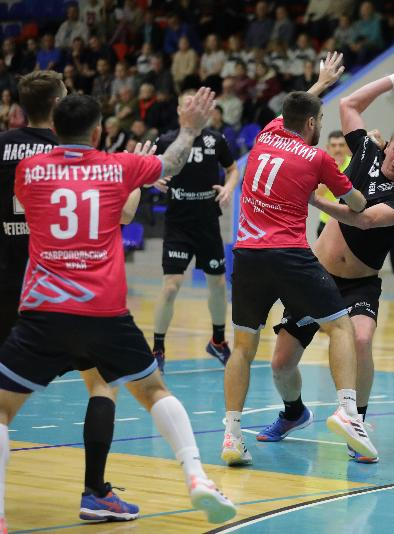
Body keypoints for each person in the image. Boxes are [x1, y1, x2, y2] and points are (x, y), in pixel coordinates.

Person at [0, 87, 237, 529]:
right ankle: (197, 476)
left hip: (43, 312)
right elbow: (170, 164)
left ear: (55, 129)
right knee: (154, 392)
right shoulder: (118, 166)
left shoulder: (30, 170)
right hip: (104, 313)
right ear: (98, 132)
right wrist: (189, 130)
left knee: (2, 409)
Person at [262, 65, 394, 464]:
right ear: (386, 146)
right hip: (314, 276)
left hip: (359, 285)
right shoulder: (367, 151)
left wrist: (315, 199)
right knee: (281, 364)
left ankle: (357, 424)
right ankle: (293, 413)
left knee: (361, 340)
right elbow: (349, 104)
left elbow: (365, 219)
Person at [220, 53, 375, 467]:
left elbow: (296, 108)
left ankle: (232, 435)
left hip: (247, 256)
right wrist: (355, 194)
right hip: (289, 256)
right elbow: (357, 203)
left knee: (242, 348)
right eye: (319, 120)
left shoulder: (265, 136)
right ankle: (348, 412)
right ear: (311, 124)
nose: (320, 126)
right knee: (340, 326)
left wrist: (320, 83)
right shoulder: (317, 158)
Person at [151, 90, 240, 373]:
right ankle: (158, 349)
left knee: (218, 284)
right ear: (180, 111)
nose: (195, 109)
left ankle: (218, 341)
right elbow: (146, 170)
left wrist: (228, 188)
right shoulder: (166, 141)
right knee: (171, 286)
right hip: (178, 225)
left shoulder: (216, 140)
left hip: (207, 224)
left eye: (199, 105)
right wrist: (152, 180)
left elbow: (233, 169)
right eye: (189, 105)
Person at [316, 130, 352, 237]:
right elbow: (317, 194)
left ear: (347, 147)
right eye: (334, 145)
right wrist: (333, 171)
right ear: (328, 148)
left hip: (349, 222)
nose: (337, 149)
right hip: (326, 221)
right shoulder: (321, 165)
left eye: (341, 145)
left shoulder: (354, 163)